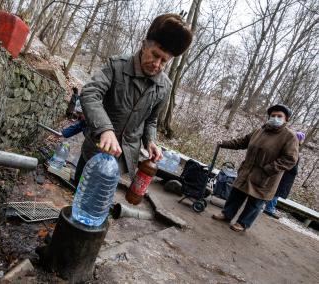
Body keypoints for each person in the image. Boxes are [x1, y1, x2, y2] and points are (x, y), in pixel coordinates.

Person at [74, 14, 193, 184]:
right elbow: (90, 93)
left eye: (164, 61)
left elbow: (151, 120)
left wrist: (150, 141)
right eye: (155, 55)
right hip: (96, 150)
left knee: (101, 201)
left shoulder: (164, 86)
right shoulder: (117, 66)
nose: (157, 64)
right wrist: (105, 130)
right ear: (144, 45)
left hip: (124, 158)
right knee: (78, 196)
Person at [212, 104, 299, 232]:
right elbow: (242, 142)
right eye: (273, 115)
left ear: (286, 119)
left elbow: (290, 159)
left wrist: (269, 169)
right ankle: (227, 214)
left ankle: (243, 223)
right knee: (236, 194)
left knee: (255, 201)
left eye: (279, 116)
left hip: (266, 176)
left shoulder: (290, 136)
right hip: (247, 170)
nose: (275, 118)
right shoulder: (260, 131)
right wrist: (224, 143)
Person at [263, 131, 305, 219]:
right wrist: (295, 171)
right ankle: (269, 208)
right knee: (276, 192)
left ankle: (269, 207)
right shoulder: (294, 150)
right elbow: (291, 165)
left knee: (275, 192)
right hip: (284, 176)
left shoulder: (290, 147)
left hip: (283, 175)